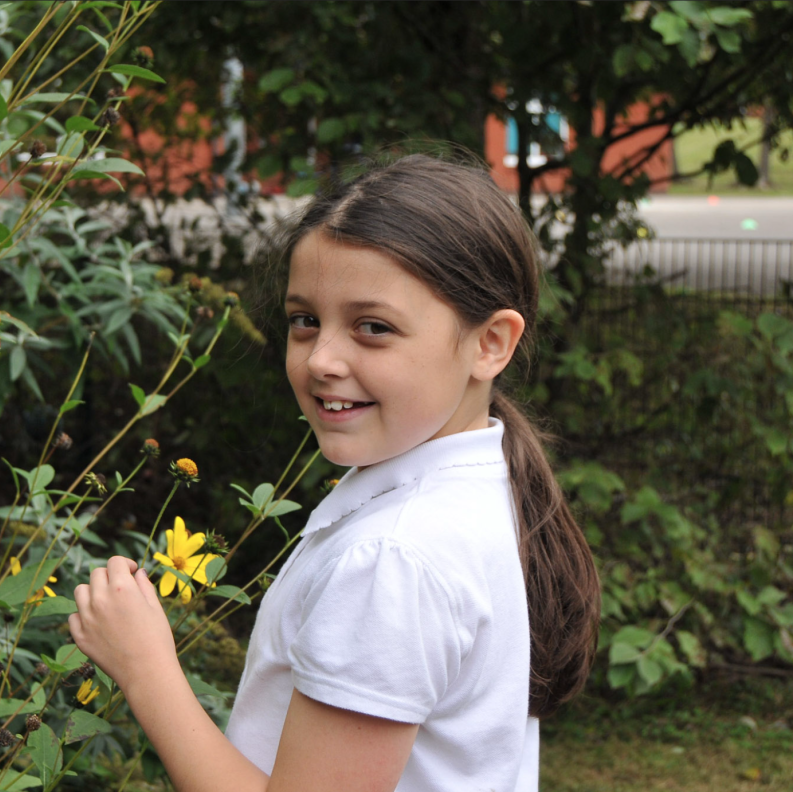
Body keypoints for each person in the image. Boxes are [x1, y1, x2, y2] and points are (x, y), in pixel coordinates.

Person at [69, 154, 601, 792]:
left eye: (373, 328)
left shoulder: (394, 559)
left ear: (490, 343)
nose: (321, 359)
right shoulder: (475, 488)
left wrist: (144, 666)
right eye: (305, 320)